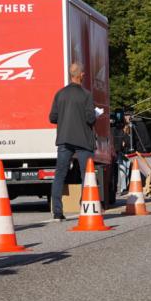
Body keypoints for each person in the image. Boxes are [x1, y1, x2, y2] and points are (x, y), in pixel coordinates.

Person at [47, 63, 97, 221]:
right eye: (83, 73)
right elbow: (90, 118)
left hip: (64, 139)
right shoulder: (86, 95)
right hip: (83, 140)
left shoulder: (60, 94)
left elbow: (52, 118)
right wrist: (95, 114)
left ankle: (57, 211)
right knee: (86, 175)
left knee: (60, 174)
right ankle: (85, 206)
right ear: (81, 75)